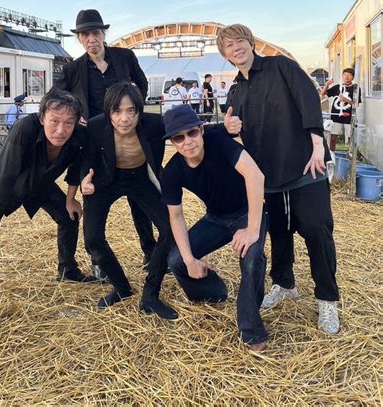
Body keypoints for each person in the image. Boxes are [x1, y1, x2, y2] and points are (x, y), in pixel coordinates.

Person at [217, 24, 340, 335]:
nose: (236, 48)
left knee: (317, 231)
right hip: (269, 175)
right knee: (280, 234)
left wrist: (316, 142)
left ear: (250, 42)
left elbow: (308, 97)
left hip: (304, 167)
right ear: (226, 55)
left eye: (240, 41)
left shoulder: (280, 66)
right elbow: (234, 129)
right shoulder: (235, 90)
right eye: (229, 46)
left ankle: (327, 299)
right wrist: (229, 126)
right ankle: (284, 283)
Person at [0, 88, 96, 352]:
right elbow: (6, 170)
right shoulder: (24, 128)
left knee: (68, 217)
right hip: (0, 179)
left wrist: (71, 197)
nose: (61, 130)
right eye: (54, 121)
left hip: (41, 180)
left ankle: (67, 269)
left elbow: (77, 166)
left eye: (68, 123)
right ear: (41, 117)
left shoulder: (79, 136)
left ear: (77, 122)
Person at [55, 9, 156, 272]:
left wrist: (133, 112)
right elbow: (55, 96)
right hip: (95, 141)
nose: (91, 39)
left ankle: (151, 252)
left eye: (96, 33)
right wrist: (75, 116)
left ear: (103, 35)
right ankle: (99, 259)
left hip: (128, 134)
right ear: (79, 39)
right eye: (85, 35)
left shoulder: (125, 57)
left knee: (141, 197)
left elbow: (142, 85)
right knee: (94, 197)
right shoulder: (73, 68)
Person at [161, 105, 268, 351]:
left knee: (252, 257)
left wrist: (252, 229)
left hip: (248, 213)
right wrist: (190, 260)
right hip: (216, 218)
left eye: (192, 133)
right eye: (179, 137)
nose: (187, 141)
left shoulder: (219, 140)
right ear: (172, 143)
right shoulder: (173, 171)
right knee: (177, 260)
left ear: (201, 130)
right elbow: (176, 217)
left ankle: (251, 330)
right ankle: (213, 293)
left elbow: (255, 176)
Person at [80, 82, 178, 320]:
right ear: (108, 112)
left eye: (130, 111)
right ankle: (121, 287)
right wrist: (84, 180)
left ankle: (151, 294)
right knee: (92, 238)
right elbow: (83, 155)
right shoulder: (94, 127)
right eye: (117, 111)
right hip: (105, 180)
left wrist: (226, 128)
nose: (124, 118)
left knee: (170, 229)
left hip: (140, 178)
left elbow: (188, 125)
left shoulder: (154, 124)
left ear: (139, 110)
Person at [320, 68, 361, 152]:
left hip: (349, 116)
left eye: (349, 75)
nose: (347, 77)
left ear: (352, 77)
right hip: (336, 116)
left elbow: (356, 104)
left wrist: (346, 100)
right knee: (333, 138)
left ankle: (350, 155)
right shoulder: (338, 87)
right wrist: (327, 84)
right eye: (345, 74)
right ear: (342, 76)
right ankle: (332, 155)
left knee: (350, 138)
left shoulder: (356, 88)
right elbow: (323, 94)